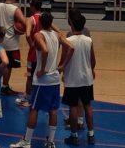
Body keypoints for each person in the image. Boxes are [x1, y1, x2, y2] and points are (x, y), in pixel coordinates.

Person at [10, 12, 74, 148]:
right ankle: (50, 142)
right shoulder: (57, 35)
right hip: (55, 79)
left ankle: (27, 141)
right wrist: (62, 65)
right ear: (51, 23)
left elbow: (44, 51)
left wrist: (42, 69)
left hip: (43, 80)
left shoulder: (39, 35)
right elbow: (71, 47)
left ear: (39, 24)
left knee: (34, 109)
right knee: (53, 110)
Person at [61, 13, 96, 145]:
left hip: (73, 78)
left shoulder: (68, 41)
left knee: (73, 106)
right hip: (86, 78)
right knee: (87, 105)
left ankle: (74, 136)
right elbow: (93, 61)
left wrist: (61, 70)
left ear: (71, 24)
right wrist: (90, 70)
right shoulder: (89, 40)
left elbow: (64, 60)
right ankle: (91, 134)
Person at [0, 0, 26, 95]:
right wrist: (19, 29)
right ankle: (5, 87)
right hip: (10, 41)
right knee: (8, 65)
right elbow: (24, 22)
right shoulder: (15, 9)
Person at [63, 8, 91, 130]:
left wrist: (62, 69)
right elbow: (91, 54)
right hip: (86, 71)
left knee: (73, 103)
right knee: (85, 102)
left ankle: (76, 123)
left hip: (73, 72)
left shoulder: (69, 36)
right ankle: (84, 125)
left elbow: (66, 56)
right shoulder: (88, 33)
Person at [15, 0, 42, 107]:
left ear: (32, 6)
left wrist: (31, 44)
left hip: (33, 53)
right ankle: (40, 98)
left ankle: (27, 98)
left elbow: (27, 34)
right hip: (43, 52)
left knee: (30, 76)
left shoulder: (31, 19)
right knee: (41, 76)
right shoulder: (45, 18)